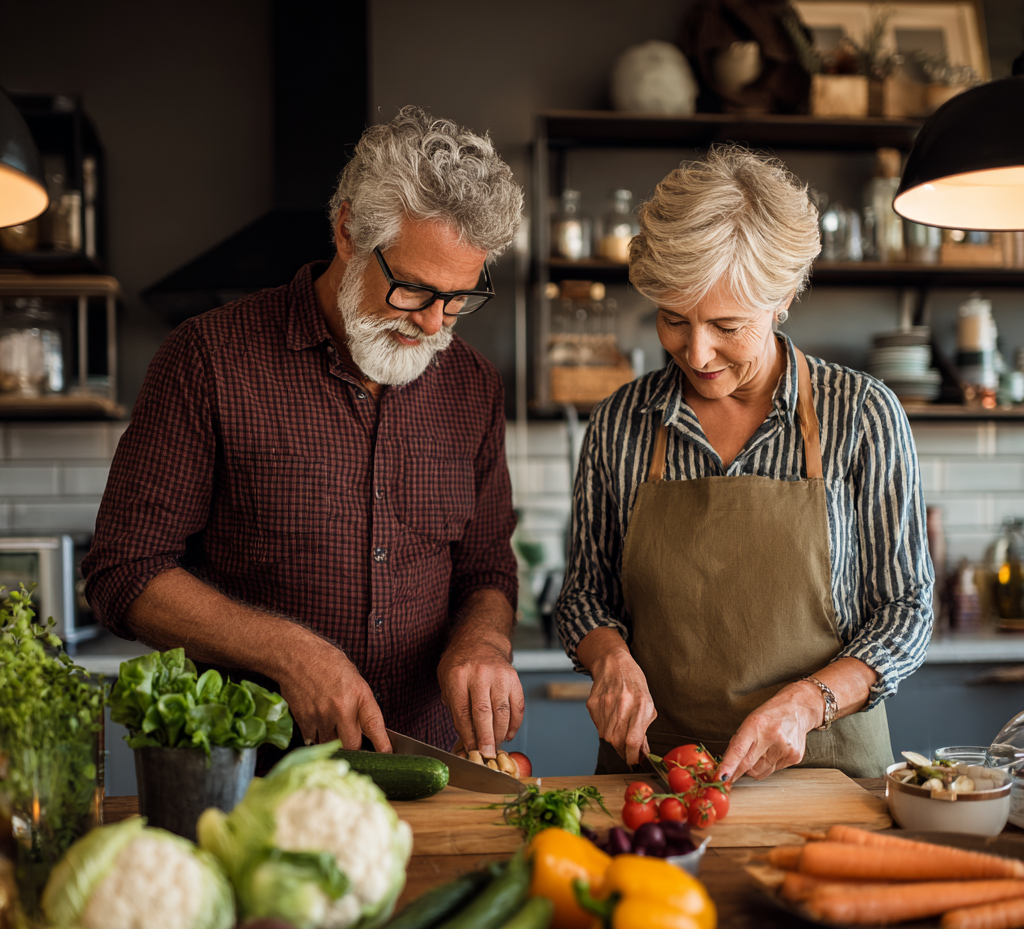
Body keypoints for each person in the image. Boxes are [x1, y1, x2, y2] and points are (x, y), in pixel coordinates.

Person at [84, 107, 525, 763]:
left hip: (426, 770)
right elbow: (124, 571)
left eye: (459, 298)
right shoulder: (207, 358)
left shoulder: (473, 385)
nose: (435, 325)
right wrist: (289, 650)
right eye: (413, 290)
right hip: (245, 770)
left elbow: (486, 568)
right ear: (347, 231)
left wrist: (483, 640)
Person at [555, 145, 933, 781]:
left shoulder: (863, 414)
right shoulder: (621, 422)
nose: (697, 352)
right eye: (674, 320)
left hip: (828, 773)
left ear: (782, 297)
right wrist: (610, 660)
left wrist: (811, 702)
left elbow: (907, 609)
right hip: (657, 777)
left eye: (727, 325)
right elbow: (585, 596)